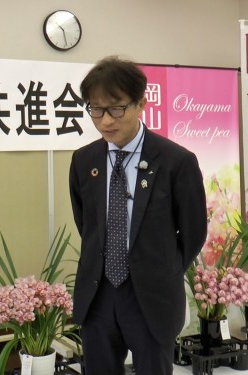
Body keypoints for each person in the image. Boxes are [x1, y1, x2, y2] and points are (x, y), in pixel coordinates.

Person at [69, 56, 207, 375]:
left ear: (141, 103)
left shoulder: (176, 162)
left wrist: (162, 268)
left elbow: (193, 233)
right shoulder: (83, 161)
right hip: (98, 294)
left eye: (116, 108)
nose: (106, 121)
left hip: (152, 297)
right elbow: (87, 224)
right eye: (95, 109)